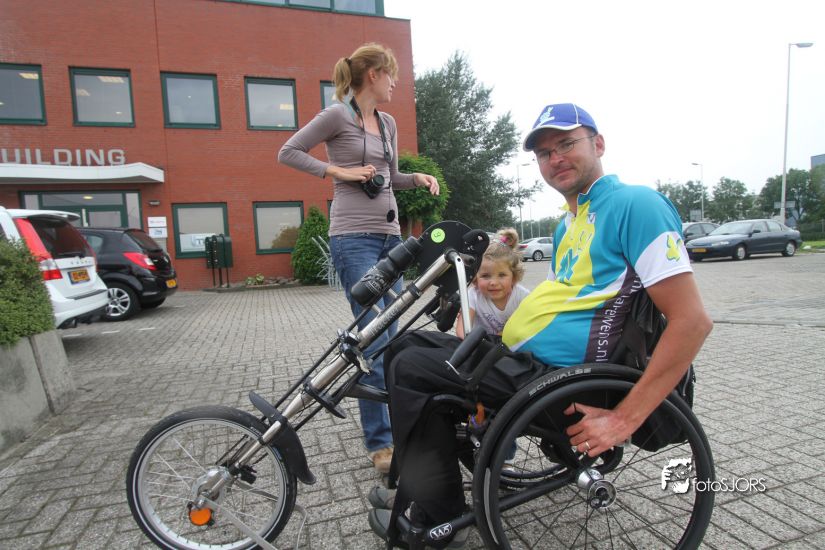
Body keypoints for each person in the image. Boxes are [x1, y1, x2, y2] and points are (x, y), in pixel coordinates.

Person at [367, 102, 713, 547]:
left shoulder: (636, 205)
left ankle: (437, 515)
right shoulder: (571, 223)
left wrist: (624, 419)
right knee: (405, 346)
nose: (556, 158)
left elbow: (692, 321)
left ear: (598, 144)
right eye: (545, 153)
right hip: (529, 366)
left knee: (414, 368)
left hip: (567, 384)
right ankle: (424, 487)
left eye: (567, 144)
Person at [278, 43, 440, 474]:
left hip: (390, 238)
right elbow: (288, 151)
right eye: (391, 75)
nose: (395, 83)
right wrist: (338, 172)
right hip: (353, 239)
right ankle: (380, 443)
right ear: (373, 74)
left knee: (395, 336)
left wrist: (416, 178)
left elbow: (390, 177)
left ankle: (399, 426)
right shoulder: (336, 115)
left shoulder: (387, 123)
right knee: (375, 339)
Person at [454, 227, 530, 340]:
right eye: (485, 276)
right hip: (479, 345)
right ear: (475, 278)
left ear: (514, 277)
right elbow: (462, 331)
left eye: (502, 275)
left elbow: (530, 326)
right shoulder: (473, 295)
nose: (493, 282)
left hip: (512, 346)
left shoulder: (523, 297)